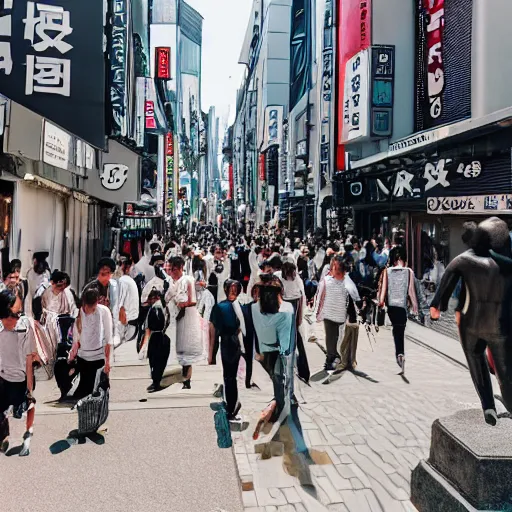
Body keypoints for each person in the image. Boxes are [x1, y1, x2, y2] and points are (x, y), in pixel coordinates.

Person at [251, 275, 295, 432]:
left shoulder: (257, 308)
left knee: (277, 378)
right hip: (271, 351)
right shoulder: (284, 310)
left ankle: (280, 409)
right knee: (278, 378)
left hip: (270, 351)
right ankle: (281, 406)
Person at [0, 289, 40, 456]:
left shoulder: (24, 327)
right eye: (12, 315)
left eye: (18, 313)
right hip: (3, 376)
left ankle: (28, 430)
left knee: (28, 405)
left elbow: (29, 359)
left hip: (22, 377)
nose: (16, 319)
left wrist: (29, 387)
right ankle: (3, 436)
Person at [315, 256, 361, 371]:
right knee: (331, 338)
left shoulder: (347, 283)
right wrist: (318, 313)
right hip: (329, 315)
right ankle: (331, 358)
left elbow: (353, 300)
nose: (332, 269)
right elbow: (320, 297)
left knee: (337, 339)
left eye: (334, 267)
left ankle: (336, 358)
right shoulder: (327, 281)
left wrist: (354, 315)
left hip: (340, 316)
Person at [378, 246, 418, 374]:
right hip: (402, 307)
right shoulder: (409, 272)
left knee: (396, 330)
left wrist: (380, 302)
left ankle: (399, 354)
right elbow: (411, 292)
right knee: (400, 330)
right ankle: (401, 354)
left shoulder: (387, 271)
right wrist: (415, 309)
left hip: (391, 307)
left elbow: (383, 291)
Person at [209, 280, 246, 420]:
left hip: (230, 343)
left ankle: (232, 406)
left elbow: (214, 331)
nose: (233, 291)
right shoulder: (227, 307)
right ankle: (232, 404)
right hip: (231, 342)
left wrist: (212, 354)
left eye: (235, 289)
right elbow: (214, 331)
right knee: (230, 376)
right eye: (231, 289)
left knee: (229, 376)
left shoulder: (223, 307)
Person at [69, 287, 113, 400]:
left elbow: (108, 339)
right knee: (82, 394)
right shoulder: (77, 314)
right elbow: (76, 340)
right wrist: (72, 355)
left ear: (97, 302)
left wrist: (108, 362)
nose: (91, 309)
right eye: (89, 306)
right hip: (83, 358)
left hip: (98, 358)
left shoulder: (103, 311)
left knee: (98, 394)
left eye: (93, 307)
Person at [166, 256, 203, 389]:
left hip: (188, 316)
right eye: (171, 269)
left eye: (174, 269)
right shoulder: (174, 282)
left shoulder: (187, 280)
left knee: (187, 349)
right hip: (179, 318)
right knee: (181, 348)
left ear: (181, 268)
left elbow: (192, 300)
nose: (172, 272)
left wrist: (182, 304)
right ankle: (184, 377)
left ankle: (187, 379)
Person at [275, 260, 310, 383]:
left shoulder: (297, 280)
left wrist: (299, 316)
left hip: (294, 305)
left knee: (296, 339)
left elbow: (301, 298)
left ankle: (303, 370)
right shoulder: (279, 277)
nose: (292, 274)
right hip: (284, 306)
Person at [139, 289, 170, 392]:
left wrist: (145, 342)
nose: (150, 301)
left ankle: (156, 382)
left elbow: (153, 324)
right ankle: (156, 381)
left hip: (156, 336)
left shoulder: (156, 308)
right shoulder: (163, 307)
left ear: (155, 298)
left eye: (151, 299)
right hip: (162, 336)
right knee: (159, 361)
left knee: (155, 361)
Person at [117, 255, 140, 348]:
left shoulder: (123, 281)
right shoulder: (129, 280)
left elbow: (120, 307)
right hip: (132, 322)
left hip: (127, 323)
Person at [25, 251, 50, 317]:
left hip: (42, 302)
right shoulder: (30, 272)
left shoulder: (46, 273)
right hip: (31, 300)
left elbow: (45, 285)